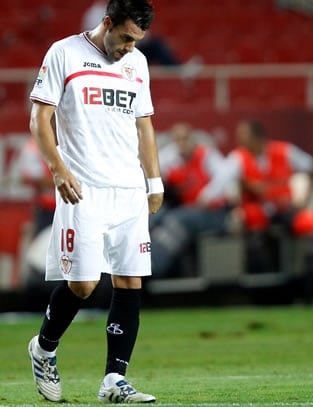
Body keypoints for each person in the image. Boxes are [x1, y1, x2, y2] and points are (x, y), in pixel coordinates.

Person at [27, 0, 161, 403]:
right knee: (84, 285)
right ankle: (44, 347)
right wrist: (57, 169)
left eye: (137, 41)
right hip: (82, 187)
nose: (129, 48)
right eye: (124, 38)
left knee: (129, 280)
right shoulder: (64, 53)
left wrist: (153, 181)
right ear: (107, 23)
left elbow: (145, 125)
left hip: (128, 190)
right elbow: (39, 119)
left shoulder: (137, 64)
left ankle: (114, 381)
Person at [227, 120, 313, 302]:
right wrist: (246, 186)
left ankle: (310, 290)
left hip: (284, 207)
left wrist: (306, 200)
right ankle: (263, 294)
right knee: (253, 229)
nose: (240, 140)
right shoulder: (238, 157)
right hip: (258, 209)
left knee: (311, 225)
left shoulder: (283, 151)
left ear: (258, 138)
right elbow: (223, 180)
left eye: (244, 136)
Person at [149, 122, 235, 277]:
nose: (182, 143)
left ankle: (155, 265)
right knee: (154, 219)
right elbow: (151, 172)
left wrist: (208, 194)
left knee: (175, 220)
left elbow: (226, 176)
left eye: (185, 138)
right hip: (187, 211)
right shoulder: (170, 157)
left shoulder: (206, 155)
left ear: (192, 139)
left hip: (212, 212)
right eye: (178, 139)